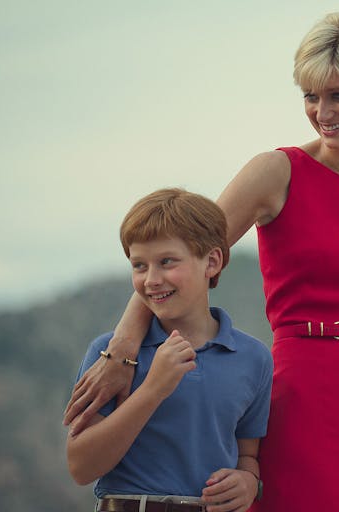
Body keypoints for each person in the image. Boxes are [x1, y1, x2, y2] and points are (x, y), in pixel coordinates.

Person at [64, 11, 339, 512]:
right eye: (311, 96)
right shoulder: (277, 171)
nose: (321, 112)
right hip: (305, 401)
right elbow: (180, 262)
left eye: (338, 95)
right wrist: (123, 351)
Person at [67, 188, 273, 512]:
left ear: (212, 262)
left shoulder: (253, 359)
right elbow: (81, 466)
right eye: (139, 265)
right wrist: (152, 389)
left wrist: (248, 480)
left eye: (166, 262)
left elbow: (248, 453)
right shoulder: (110, 356)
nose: (151, 279)